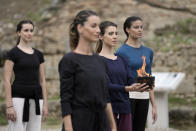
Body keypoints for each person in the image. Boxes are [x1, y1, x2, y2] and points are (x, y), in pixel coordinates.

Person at [58, 10, 117, 131]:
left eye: (99, 27)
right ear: (80, 28)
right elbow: (65, 98)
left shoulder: (100, 61)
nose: (98, 30)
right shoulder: (69, 60)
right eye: (93, 26)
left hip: (101, 122)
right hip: (79, 122)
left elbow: (105, 96)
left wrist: (113, 126)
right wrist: (69, 128)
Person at [96, 21, 149, 131]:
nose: (115, 36)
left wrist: (137, 85)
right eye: (110, 34)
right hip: (107, 110)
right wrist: (127, 88)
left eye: (116, 33)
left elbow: (130, 78)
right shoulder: (97, 60)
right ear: (100, 36)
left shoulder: (121, 59)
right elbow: (106, 85)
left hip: (125, 108)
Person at [3, 20, 48, 131]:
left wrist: (45, 104)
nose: (29, 33)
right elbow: (7, 80)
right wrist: (9, 106)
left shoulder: (38, 54)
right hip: (18, 99)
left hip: (36, 99)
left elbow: (42, 80)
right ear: (19, 33)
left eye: (31, 31)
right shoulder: (13, 53)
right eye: (26, 30)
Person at [116, 16, 158, 131]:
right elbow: (119, 79)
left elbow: (149, 78)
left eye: (141, 27)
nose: (140, 30)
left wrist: (153, 105)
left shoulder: (148, 52)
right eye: (136, 27)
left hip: (144, 97)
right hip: (128, 98)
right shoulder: (120, 52)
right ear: (127, 30)